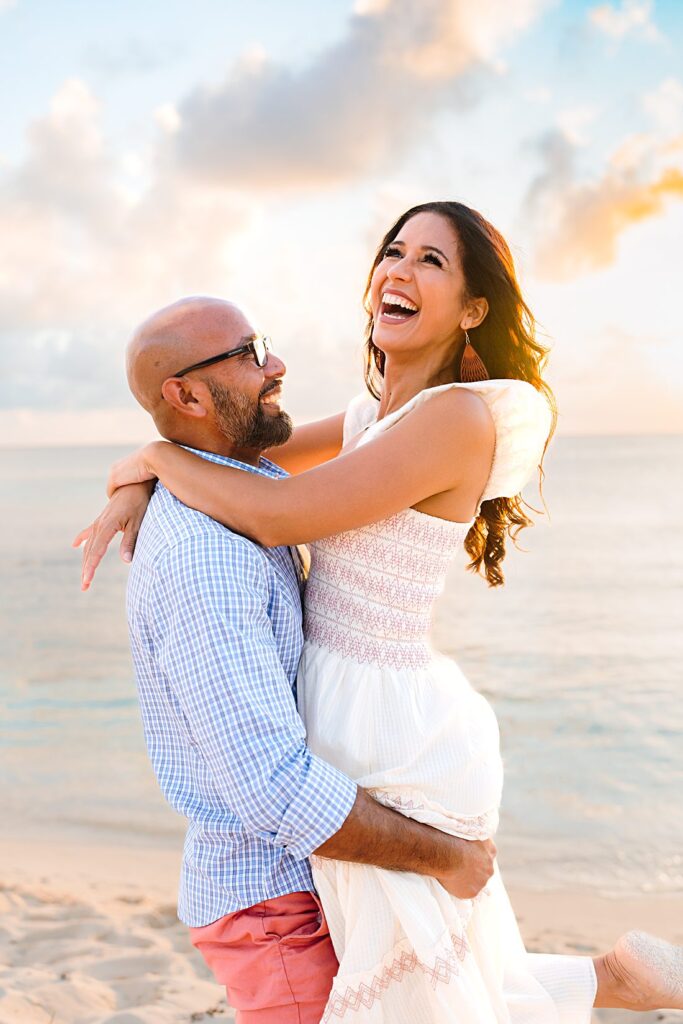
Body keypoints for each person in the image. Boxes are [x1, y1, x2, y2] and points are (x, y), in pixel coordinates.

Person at [77, 202, 683, 1023]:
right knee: (410, 971)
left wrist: (151, 458)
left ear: (473, 311)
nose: (397, 270)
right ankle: (603, 980)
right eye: (393, 251)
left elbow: (277, 512)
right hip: (340, 700)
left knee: (401, 977)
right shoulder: (374, 420)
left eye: (431, 261)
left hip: (379, 711)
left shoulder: (453, 417)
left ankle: (604, 983)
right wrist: (146, 469)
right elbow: (240, 461)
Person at [74, 295, 499, 1024]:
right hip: (274, 907)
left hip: (298, 886)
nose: (275, 364)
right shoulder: (208, 558)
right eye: (247, 354)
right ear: (186, 394)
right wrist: (444, 857)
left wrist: (149, 464)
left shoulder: (244, 489)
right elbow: (273, 790)